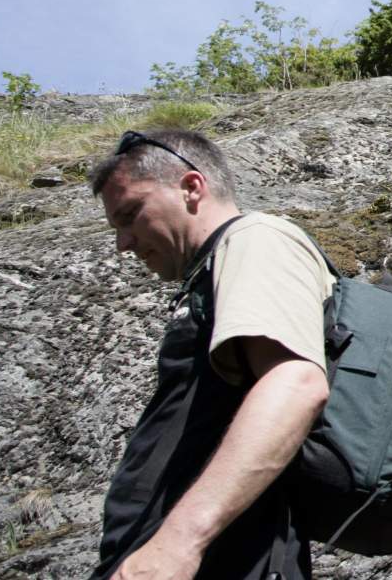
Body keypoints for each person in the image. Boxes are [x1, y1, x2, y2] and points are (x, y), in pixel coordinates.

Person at [87, 129, 334, 579]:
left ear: (192, 187)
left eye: (130, 214)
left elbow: (295, 383)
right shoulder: (213, 269)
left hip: (215, 560)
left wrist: (179, 543)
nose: (123, 243)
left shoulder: (254, 238)